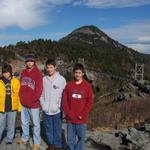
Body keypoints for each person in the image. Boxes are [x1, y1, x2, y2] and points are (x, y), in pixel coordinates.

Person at [62, 63, 93, 150]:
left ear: (83, 73)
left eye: (79, 72)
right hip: (71, 119)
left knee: (81, 139)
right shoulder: (69, 85)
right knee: (70, 139)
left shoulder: (87, 86)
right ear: (73, 73)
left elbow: (89, 102)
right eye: (76, 72)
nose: (77, 74)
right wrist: (68, 113)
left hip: (81, 120)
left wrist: (83, 114)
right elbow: (64, 100)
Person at [40, 59, 66, 150]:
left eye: (51, 67)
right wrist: (43, 105)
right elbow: (41, 94)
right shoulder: (44, 79)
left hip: (57, 110)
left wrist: (59, 106)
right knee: (48, 128)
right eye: (47, 68)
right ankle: (51, 144)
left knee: (57, 129)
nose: (49, 69)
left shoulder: (61, 79)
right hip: (46, 109)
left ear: (55, 67)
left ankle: (58, 145)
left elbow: (64, 95)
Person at [19, 54, 43, 150]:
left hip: (33, 104)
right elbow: (21, 85)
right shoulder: (23, 72)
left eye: (31, 61)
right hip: (24, 103)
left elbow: (39, 89)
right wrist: (21, 96)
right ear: (26, 62)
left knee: (36, 124)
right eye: (28, 61)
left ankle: (36, 142)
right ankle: (25, 137)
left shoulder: (38, 73)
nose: (29, 62)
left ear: (34, 62)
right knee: (24, 122)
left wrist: (33, 99)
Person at [0, 64, 21, 144]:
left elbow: (19, 95)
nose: (5, 74)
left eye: (7, 72)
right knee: (0, 125)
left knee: (11, 125)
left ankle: (9, 139)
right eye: (4, 72)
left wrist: (19, 107)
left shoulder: (16, 81)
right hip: (2, 108)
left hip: (12, 107)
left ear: (10, 72)